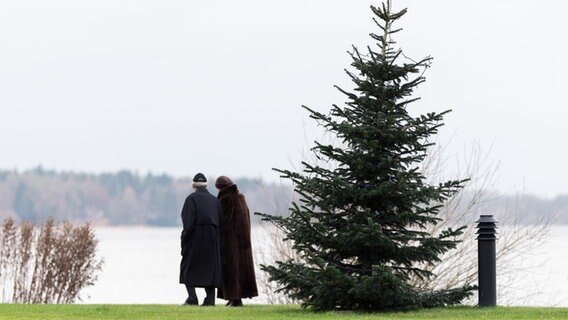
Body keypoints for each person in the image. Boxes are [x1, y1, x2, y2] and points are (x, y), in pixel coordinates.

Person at [179, 173, 223, 306]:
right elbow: (221, 220)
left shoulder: (191, 199)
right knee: (210, 269)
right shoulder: (215, 200)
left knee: (187, 267)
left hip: (195, 237)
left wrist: (184, 240)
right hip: (213, 237)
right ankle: (210, 299)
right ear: (206, 185)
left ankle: (192, 298)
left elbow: (187, 223)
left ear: (193, 185)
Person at [215, 176, 258, 307]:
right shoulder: (241, 197)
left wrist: (218, 235)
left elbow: (224, 222)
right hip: (243, 241)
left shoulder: (226, 199)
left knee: (231, 270)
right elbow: (248, 218)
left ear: (221, 187)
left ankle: (235, 298)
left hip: (230, 242)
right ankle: (235, 298)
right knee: (241, 270)